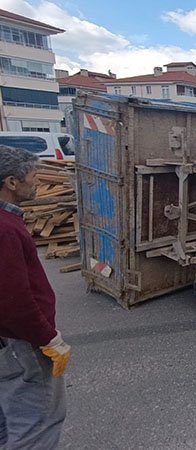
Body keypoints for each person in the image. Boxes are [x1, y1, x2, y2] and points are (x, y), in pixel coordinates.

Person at [0, 145, 71, 449]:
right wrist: (47, 338)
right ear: (11, 182)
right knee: (37, 424)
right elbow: (11, 300)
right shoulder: (5, 229)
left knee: (7, 418)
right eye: (33, 177)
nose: (38, 183)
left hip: (6, 345)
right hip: (20, 345)